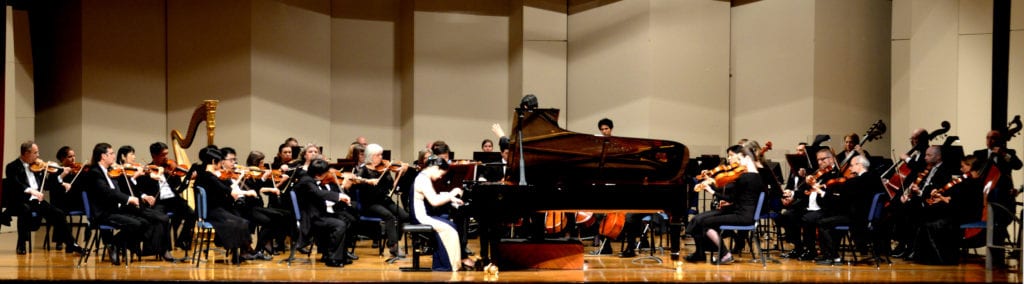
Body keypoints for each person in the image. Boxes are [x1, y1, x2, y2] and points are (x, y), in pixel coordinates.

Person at [684, 143, 764, 264]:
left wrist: (712, 191)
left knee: (705, 223)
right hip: (742, 213)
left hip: (742, 216)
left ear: (747, 159)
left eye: (740, 159)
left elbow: (731, 197)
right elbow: (740, 198)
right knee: (699, 218)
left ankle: (725, 254)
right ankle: (701, 253)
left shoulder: (745, 177)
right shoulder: (755, 176)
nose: (737, 163)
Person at [3, 141, 85, 255]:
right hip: (20, 200)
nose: (38, 156)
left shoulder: (37, 167)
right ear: (26, 153)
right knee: (25, 210)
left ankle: (71, 244)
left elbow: (46, 184)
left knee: (58, 213)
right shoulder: (12, 167)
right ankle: (21, 243)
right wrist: (31, 190)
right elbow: (15, 184)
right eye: (35, 153)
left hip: (36, 201)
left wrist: (61, 183)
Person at [813, 155, 885, 265]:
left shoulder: (855, 182)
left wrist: (823, 193)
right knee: (832, 220)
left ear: (859, 165)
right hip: (867, 217)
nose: (850, 169)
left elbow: (841, 200)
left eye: (851, 166)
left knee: (822, 223)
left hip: (857, 218)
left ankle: (833, 256)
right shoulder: (874, 178)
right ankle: (830, 254)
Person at [83, 142, 147, 265]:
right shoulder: (94, 172)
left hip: (114, 210)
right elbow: (108, 192)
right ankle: (115, 245)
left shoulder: (109, 171)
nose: (114, 156)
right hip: (103, 214)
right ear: (103, 156)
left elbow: (115, 190)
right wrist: (129, 199)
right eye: (111, 153)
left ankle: (114, 244)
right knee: (136, 224)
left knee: (144, 221)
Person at [193, 146, 258, 263]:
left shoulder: (203, 175)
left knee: (240, 219)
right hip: (212, 211)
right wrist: (247, 192)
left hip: (212, 210)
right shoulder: (210, 177)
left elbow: (226, 189)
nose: (220, 165)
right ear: (213, 162)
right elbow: (230, 191)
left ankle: (241, 252)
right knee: (241, 222)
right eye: (219, 163)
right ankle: (240, 253)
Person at [412, 157, 475, 271]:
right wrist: (451, 196)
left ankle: (450, 262)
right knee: (450, 229)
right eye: (441, 173)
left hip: (422, 215)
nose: (441, 177)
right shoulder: (423, 180)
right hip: (421, 217)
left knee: (451, 225)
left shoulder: (423, 177)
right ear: (435, 168)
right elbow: (435, 201)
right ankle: (448, 265)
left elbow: (434, 198)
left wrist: (450, 196)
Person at [137, 142, 196, 259]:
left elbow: (177, 186)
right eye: (163, 155)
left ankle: (181, 240)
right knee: (163, 219)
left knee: (192, 213)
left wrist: (184, 176)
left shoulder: (169, 168)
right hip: (159, 202)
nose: (166, 157)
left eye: (167, 154)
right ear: (154, 156)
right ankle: (164, 250)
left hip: (173, 200)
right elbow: (141, 190)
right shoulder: (147, 171)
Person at [293, 158, 354, 267]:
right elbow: (318, 193)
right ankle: (332, 258)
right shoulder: (306, 181)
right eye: (326, 172)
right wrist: (339, 196)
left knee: (346, 220)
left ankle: (336, 255)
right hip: (311, 218)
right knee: (339, 225)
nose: (328, 174)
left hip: (318, 214)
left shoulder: (310, 179)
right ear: (318, 175)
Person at [354, 144, 410, 261]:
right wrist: (368, 181)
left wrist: (400, 173)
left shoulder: (384, 169)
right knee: (389, 216)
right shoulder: (363, 170)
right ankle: (393, 247)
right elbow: (355, 181)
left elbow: (392, 187)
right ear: (371, 156)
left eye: (381, 154)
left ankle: (393, 239)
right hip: (370, 203)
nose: (381, 157)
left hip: (384, 200)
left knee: (404, 216)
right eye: (378, 155)